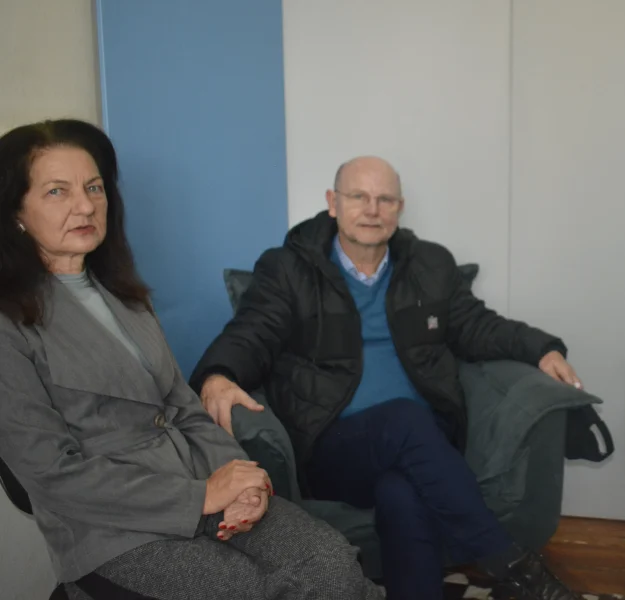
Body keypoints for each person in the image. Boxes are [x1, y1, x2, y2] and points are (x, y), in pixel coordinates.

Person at [0, 119, 383, 600]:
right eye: (57, 191)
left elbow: (183, 407)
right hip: (113, 528)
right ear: (15, 211)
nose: (85, 205)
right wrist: (201, 496)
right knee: (260, 591)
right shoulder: (9, 323)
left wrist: (240, 481)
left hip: (205, 482)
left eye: (93, 187)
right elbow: (51, 474)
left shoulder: (127, 297)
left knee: (335, 566)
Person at [190, 156, 584, 600]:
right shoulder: (289, 269)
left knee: (402, 492)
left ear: (400, 208)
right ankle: (511, 566)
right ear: (333, 203)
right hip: (333, 446)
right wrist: (217, 374)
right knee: (404, 418)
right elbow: (252, 333)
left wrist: (542, 348)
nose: (372, 209)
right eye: (358, 196)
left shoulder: (430, 264)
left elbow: (479, 326)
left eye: (385, 199)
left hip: (423, 447)